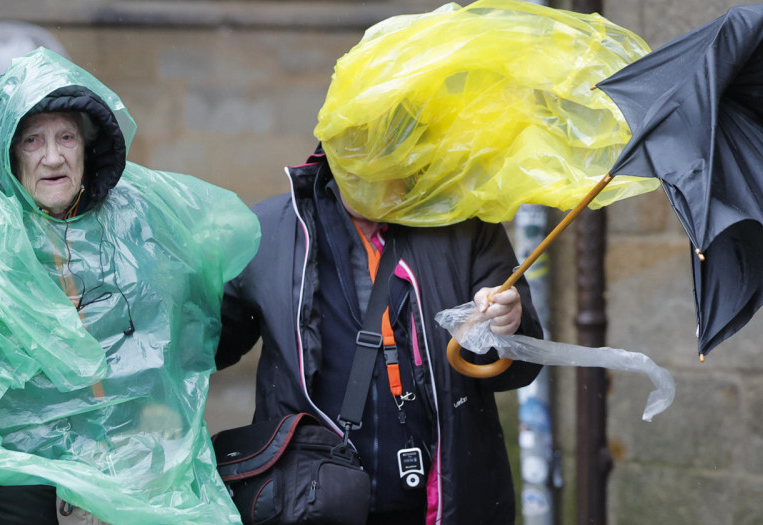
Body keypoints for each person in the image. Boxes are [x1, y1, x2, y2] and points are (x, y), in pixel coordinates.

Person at [0, 48, 258, 525]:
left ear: (87, 146)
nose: (52, 157)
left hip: (127, 465)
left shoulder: (138, 215)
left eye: (66, 136)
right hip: (8, 475)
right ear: (9, 151)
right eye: (32, 140)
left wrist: (153, 438)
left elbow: (197, 313)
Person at [216, 145, 544, 524]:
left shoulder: (464, 226)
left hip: (445, 496)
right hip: (305, 500)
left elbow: (517, 370)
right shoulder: (269, 229)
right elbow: (209, 346)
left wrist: (506, 326)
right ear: (331, 150)